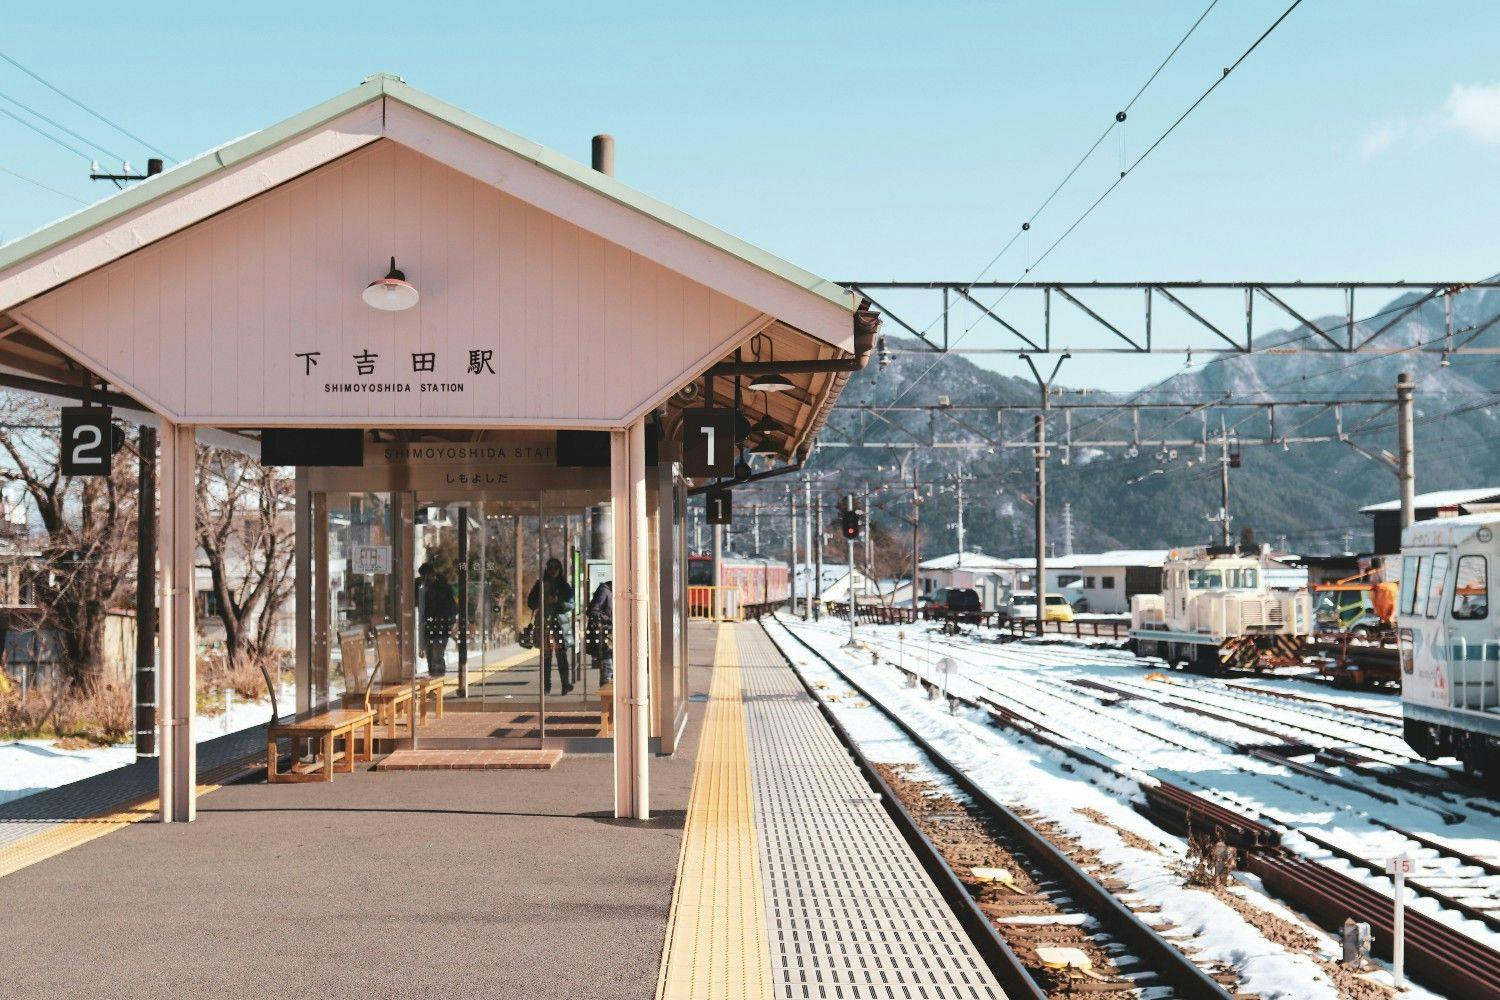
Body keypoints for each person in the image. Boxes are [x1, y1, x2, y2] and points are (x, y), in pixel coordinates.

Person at [527, 557, 575, 695]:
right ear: (546, 569)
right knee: (546, 657)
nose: (553, 570)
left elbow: (571, 605)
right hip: (543, 624)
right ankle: (546, 687)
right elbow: (530, 603)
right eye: (550, 567)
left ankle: (565, 685)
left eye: (556, 567)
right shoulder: (540, 585)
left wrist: (558, 601)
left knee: (561, 655)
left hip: (558, 625)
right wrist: (541, 600)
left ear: (560, 570)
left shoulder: (564, 586)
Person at [417, 562, 457, 676]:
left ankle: (438, 681)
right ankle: (434, 683)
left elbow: (452, 607)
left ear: (432, 574)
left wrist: (450, 623)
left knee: (437, 656)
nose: (424, 578)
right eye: (422, 576)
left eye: (426, 575)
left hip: (441, 627)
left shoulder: (442, 587)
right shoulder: (423, 587)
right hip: (430, 627)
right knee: (431, 657)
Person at [586, 579, 613, 686]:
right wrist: (610, 619)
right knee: (607, 667)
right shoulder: (604, 591)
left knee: (609, 668)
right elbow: (592, 611)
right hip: (604, 635)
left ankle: (608, 699)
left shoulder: (609, 591)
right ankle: (606, 699)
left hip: (608, 635)